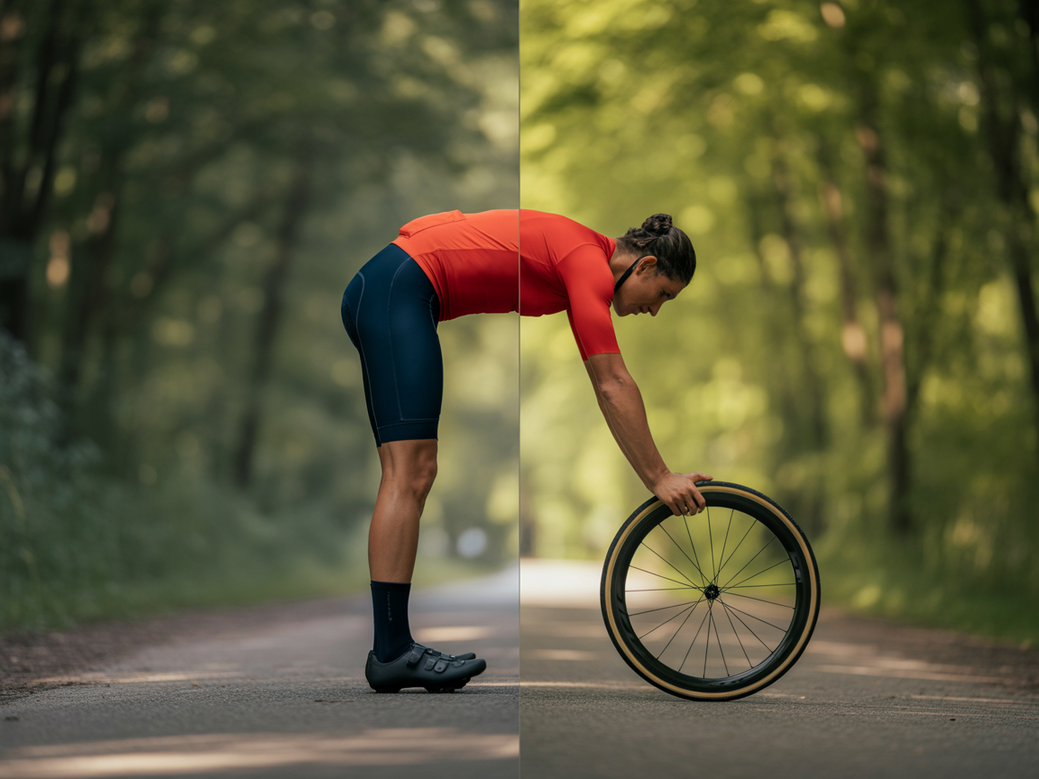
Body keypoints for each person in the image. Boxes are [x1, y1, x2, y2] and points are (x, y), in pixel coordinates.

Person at [341, 209, 712, 693]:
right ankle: (390, 652)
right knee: (408, 472)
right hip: (397, 291)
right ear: (643, 266)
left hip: (395, 290)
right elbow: (612, 382)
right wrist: (660, 477)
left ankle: (392, 648)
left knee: (414, 470)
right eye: (663, 294)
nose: (656, 309)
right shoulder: (587, 262)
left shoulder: (583, 255)